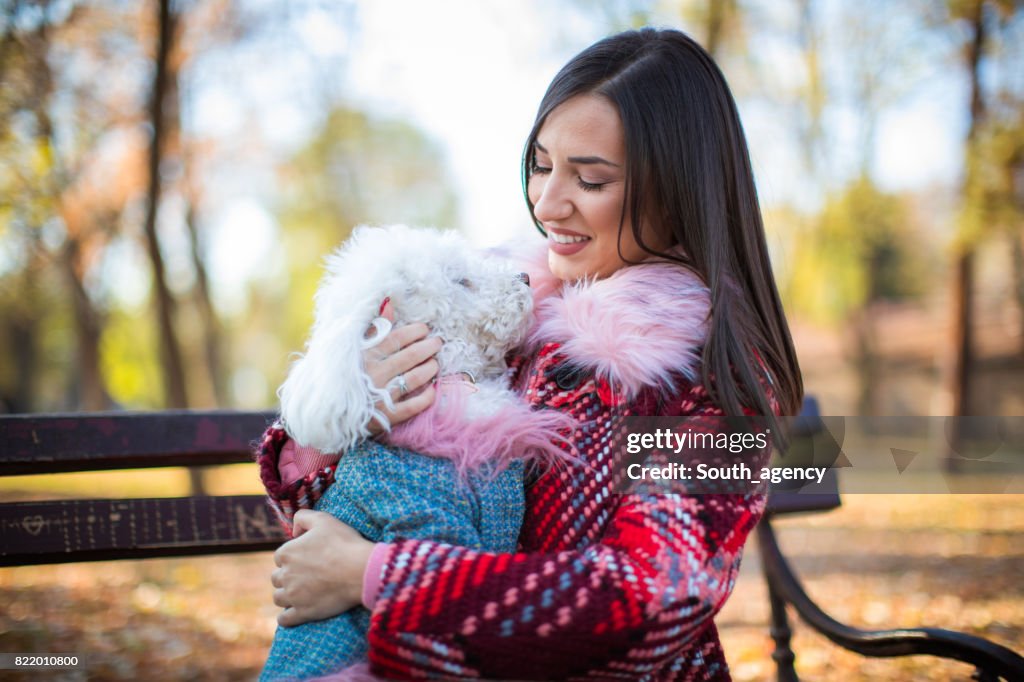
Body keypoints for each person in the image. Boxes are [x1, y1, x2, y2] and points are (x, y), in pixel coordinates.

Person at [268, 27, 803, 680]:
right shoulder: (495, 311)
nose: (547, 203)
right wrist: (354, 409)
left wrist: (378, 575)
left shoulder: (717, 381)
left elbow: (653, 594)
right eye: (542, 164)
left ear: (678, 193)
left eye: (591, 179)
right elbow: (336, 501)